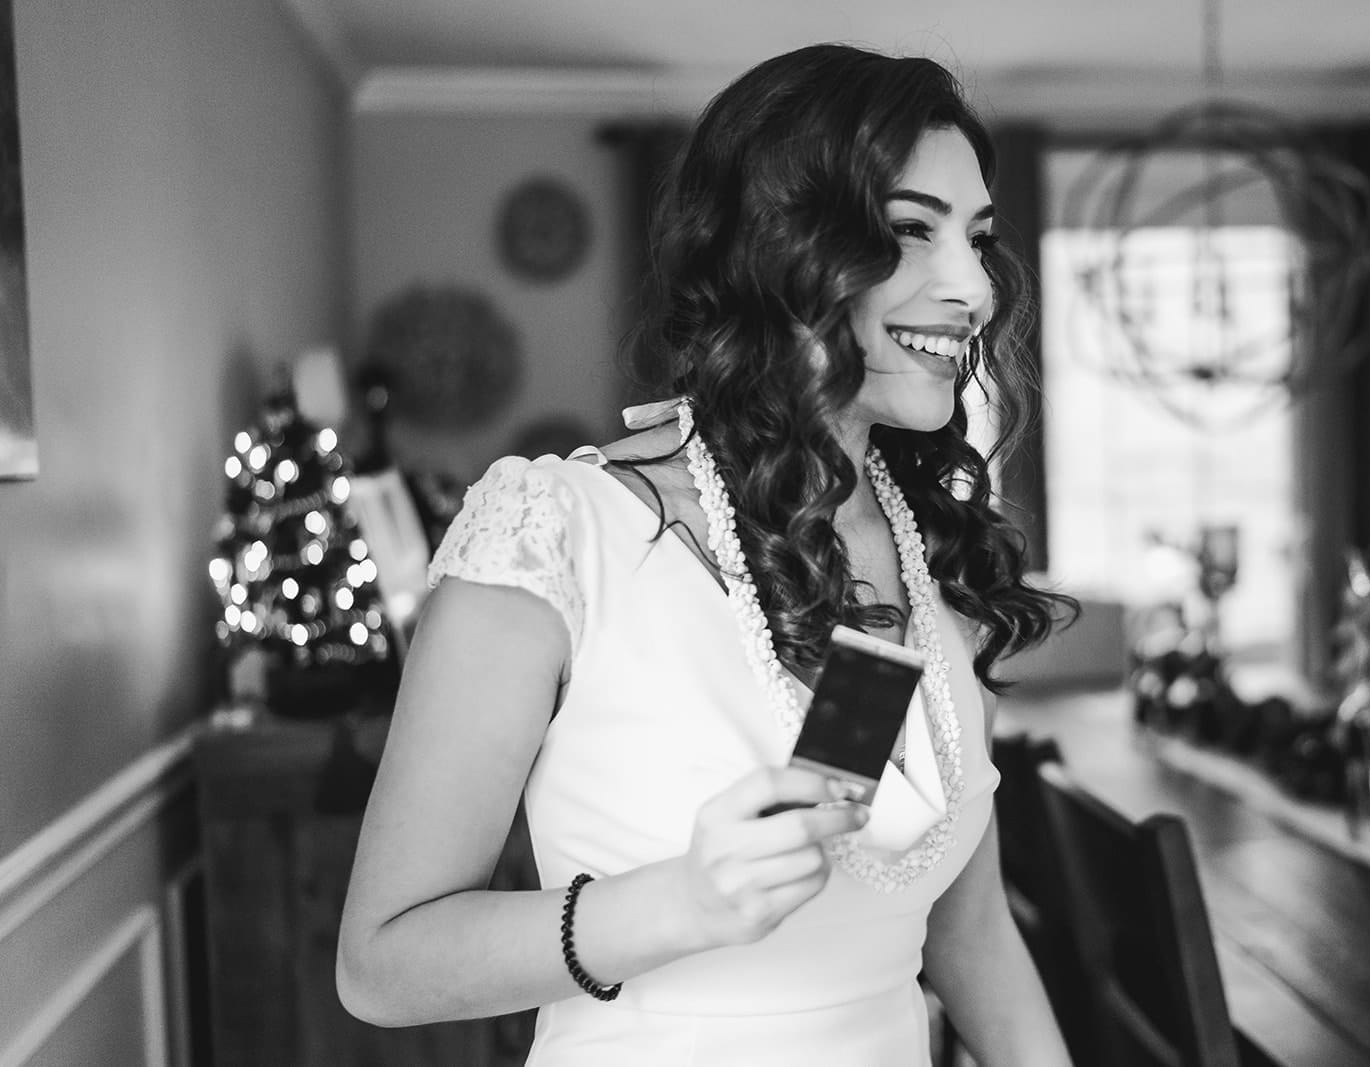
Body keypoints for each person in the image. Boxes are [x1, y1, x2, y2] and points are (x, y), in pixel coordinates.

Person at [337, 42, 1078, 1066]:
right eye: (911, 231)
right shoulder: (555, 532)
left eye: (979, 238)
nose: (974, 287)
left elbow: (970, 934)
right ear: (779, 251)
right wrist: (677, 902)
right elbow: (380, 965)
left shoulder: (924, 545)